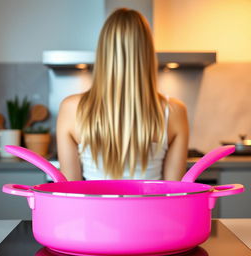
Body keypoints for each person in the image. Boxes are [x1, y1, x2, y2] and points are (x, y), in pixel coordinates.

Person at [56, 8, 189, 181]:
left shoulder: (71, 108)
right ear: (147, 53)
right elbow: (174, 192)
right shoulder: (174, 111)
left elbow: (70, 190)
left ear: (103, 52)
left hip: (93, 210)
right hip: (152, 209)